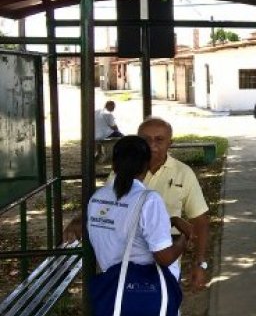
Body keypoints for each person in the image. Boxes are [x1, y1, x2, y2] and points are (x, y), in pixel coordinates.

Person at [67, 116, 211, 291]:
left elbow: (200, 220)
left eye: (159, 139)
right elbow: (107, 205)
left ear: (170, 143)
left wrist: (199, 263)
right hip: (123, 271)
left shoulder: (183, 173)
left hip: (160, 277)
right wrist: (79, 220)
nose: (152, 145)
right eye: (145, 140)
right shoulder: (123, 174)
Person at [87, 135, 192, 316]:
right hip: (147, 297)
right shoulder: (148, 199)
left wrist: (169, 221)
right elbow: (163, 258)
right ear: (146, 165)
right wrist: (183, 240)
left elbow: (122, 229)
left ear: (114, 164)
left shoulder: (97, 198)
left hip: (115, 294)